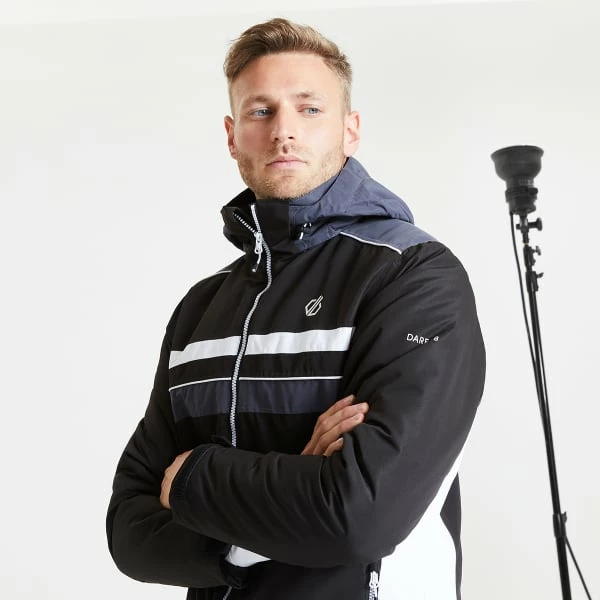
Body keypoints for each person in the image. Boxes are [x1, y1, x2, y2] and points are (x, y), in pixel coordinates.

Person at [106, 17, 485, 600]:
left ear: (350, 130)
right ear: (232, 135)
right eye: (261, 111)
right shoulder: (200, 308)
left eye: (309, 109)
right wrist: (273, 506)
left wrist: (192, 478)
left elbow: (359, 515)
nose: (283, 131)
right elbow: (129, 531)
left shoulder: (412, 275)